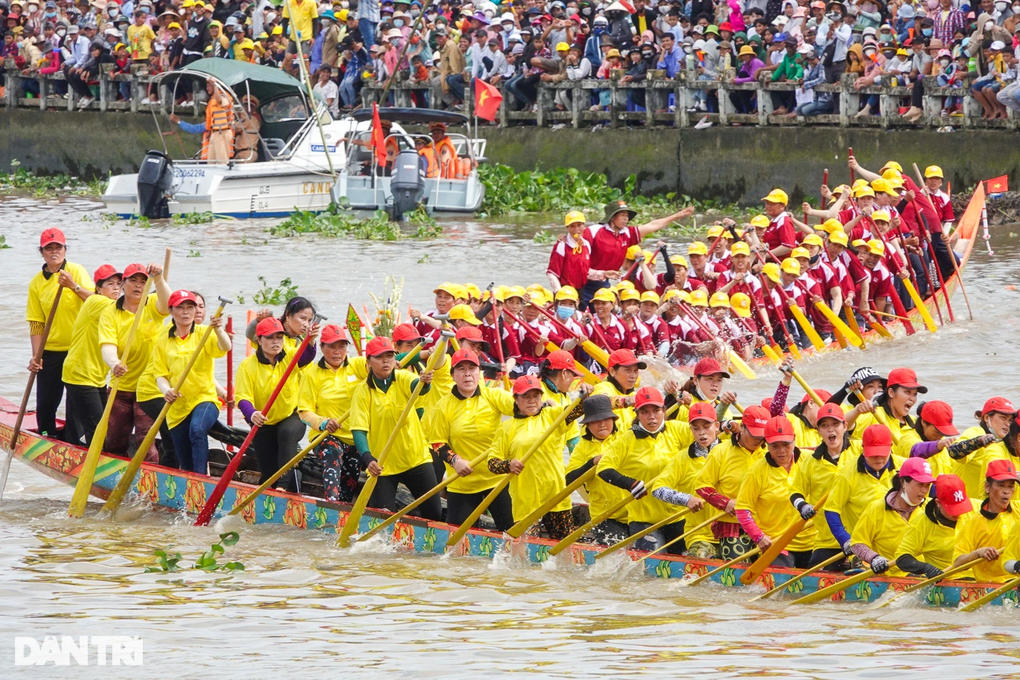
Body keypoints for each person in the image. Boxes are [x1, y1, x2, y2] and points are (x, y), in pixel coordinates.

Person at [485, 375, 588, 539]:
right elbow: (492, 463)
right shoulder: (506, 428)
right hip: (525, 501)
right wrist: (509, 465)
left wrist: (586, 394)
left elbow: (579, 409)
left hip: (556, 496)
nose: (532, 401)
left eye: (536, 396)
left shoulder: (553, 415)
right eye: (526, 396)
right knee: (525, 553)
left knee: (565, 552)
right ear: (516, 400)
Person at [350, 335, 441, 519]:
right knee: (381, 520)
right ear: (368, 361)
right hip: (383, 465)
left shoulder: (404, 377)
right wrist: (368, 459)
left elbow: (420, 387)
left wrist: (426, 381)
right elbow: (358, 429)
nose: (386, 361)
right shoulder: (362, 391)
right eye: (380, 357)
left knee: (434, 515)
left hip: (416, 458)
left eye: (390, 356)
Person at [430, 348, 516, 529]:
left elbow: (521, 407)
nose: (467, 374)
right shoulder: (443, 406)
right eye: (461, 369)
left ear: (480, 373)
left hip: (497, 479)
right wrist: (455, 461)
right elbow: (437, 443)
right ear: (452, 375)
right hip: (463, 483)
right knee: (457, 548)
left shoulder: (494, 396)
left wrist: (543, 403)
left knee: (512, 535)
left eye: (472, 368)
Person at [150, 290, 231, 474]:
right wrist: (166, 390)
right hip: (177, 405)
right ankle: (191, 485)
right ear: (171, 311)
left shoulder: (205, 331)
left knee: (197, 430)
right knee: (185, 462)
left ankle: (201, 479)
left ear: (196, 311)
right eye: (180, 308)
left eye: (190, 307)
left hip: (204, 398)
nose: (186, 312)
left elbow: (225, 347)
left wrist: (218, 329)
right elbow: (160, 374)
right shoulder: (163, 339)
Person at [26, 228, 93, 440]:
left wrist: (73, 286)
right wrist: (37, 357)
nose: (54, 252)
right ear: (42, 252)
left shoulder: (77, 271)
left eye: (58, 247)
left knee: (76, 400)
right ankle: (47, 436)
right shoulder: (36, 283)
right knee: (46, 401)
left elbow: (95, 301)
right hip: (51, 350)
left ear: (65, 250)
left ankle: (73, 440)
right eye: (49, 248)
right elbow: (36, 323)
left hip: (77, 349)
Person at [97, 262, 170, 456]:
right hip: (121, 386)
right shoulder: (110, 313)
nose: (138, 285)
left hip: (149, 388)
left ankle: (150, 480)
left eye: (143, 281)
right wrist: (114, 364)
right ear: (123, 284)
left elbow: (168, 303)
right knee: (114, 441)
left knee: (144, 441)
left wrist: (159, 279)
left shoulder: (153, 305)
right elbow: (107, 346)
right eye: (133, 280)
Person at [296, 324, 367, 503]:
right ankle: (331, 503)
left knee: (352, 470)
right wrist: (323, 422)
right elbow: (304, 413)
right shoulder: (311, 374)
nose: (337, 352)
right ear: (322, 348)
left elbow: (380, 365)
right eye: (332, 347)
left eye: (342, 346)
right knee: (333, 454)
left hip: (355, 436)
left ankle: (344, 506)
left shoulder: (357, 365)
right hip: (326, 435)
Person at [579, 200, 695, 310]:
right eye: (622, 215)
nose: (626, 218)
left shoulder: (626, 234)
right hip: (584, 281)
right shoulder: (594, 231)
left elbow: (652, 226)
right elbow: (576, 249)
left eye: (627, 215)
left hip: (604, 282)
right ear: (612, 217)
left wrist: (676, 216)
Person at [237, 317, 307, 492]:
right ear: (259, 340)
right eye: (270, 338)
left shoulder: (290, 355)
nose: (276, 342)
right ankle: (284, 486)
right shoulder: (247, 366)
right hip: (263, 422)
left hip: (292, 415)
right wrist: (252, 414)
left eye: (279, 337)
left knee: (287, 432)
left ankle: (283, 487)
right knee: (268, 475)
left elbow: (307, 356)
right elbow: (242, 398)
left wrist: (310, 340)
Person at [737, 415, 814, 568]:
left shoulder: (811, 461)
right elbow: (742, 509)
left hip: (813, 541)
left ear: (795, 439)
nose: (781, 451)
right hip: (777, 544)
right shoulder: (756, 472)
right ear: (766, 444)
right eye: (775, 446)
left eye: (786, 444)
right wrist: (759, 537)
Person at [696, 404, 770, 560]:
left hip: (765, 524)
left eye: (761, 435)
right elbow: (701, 486)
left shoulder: (770, 454)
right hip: (733, 524)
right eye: (754, 434)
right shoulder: (721, 451)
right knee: (738, 575)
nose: (758, 439)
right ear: (742, 427)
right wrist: (725, 503)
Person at [61, 265, 122, 446]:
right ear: (99, 289)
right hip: (80, 374)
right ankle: (94, 468)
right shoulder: (97, 302)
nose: (116, 288)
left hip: (96, 376)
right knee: (96, 428)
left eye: (119, 284)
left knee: (99, 426)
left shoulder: (111, 308)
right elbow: (130, 308)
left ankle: (79, 451)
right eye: (110, 284)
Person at [650, 402, 720, 558]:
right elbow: (657, 489)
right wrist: (686, 499)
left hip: (731, 531)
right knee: (701, 558)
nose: (702, 433)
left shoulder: (730, 452)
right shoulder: (683, 458)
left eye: (706, 427)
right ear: (691, 431)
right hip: (699, 534)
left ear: (717, 426)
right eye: (696, 428)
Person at [846, 457, 935, 575]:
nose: (924, 490)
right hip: (888, 578)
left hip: (922, 577)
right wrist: (874, 558)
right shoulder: (876, 509)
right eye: (920, 484)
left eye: (927, 485)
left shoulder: (930, 509)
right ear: (903, 482)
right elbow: (857, 544)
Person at [565, 394, 628, 545]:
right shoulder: (582, 448)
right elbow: (569, 480)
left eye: (606, 419)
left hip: (636, 512)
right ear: (587, 424)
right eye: (596, 421)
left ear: (613, 420)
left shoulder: (627, 436)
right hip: (606, 516)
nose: (602, 425)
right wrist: (591, 463)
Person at [894, 473, 973, 578]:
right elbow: (901, 557)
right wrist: (925, 567)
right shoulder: (921, 524)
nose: (958, 513)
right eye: (953, 509)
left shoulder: (977, 510)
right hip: (947, 581)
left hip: (981, 579)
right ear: (938, 503)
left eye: (961, 507)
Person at [954, 459, 1019, 583]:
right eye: (1001, 485)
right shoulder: (973, 523)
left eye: (1010, 486)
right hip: (991, 586)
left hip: (1016, 579)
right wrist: (978, 553)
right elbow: (957, 563)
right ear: (987, 487)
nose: (1006, 491)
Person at [168, 79, 235, 162]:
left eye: (209, 86)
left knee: (222, 161)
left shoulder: (224, 96)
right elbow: (195, 128)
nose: (207, 88)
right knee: (211, 162)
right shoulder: (212, 100)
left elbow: (219, 100)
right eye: (207, 86)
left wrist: (214, 83)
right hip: (214, 133)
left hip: (222, 132)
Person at [246, 296, 319, 366]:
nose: (306, 324)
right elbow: (251, 334)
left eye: (309, 320)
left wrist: (311, 341)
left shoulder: (302, 343)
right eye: (303, 318)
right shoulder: (271, 336)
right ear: (288, 315)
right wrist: (258, 321)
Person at [546, 211, 591, 294]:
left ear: (584, 226)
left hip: (581, 291)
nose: (576, 229)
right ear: (567, 228)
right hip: (564, 291)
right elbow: (551, 273)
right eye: (572, 226)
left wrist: (604, 274)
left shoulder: (586, 245)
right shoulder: (561, 246)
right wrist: (559, 292)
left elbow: (587, 271)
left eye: (579, 225)